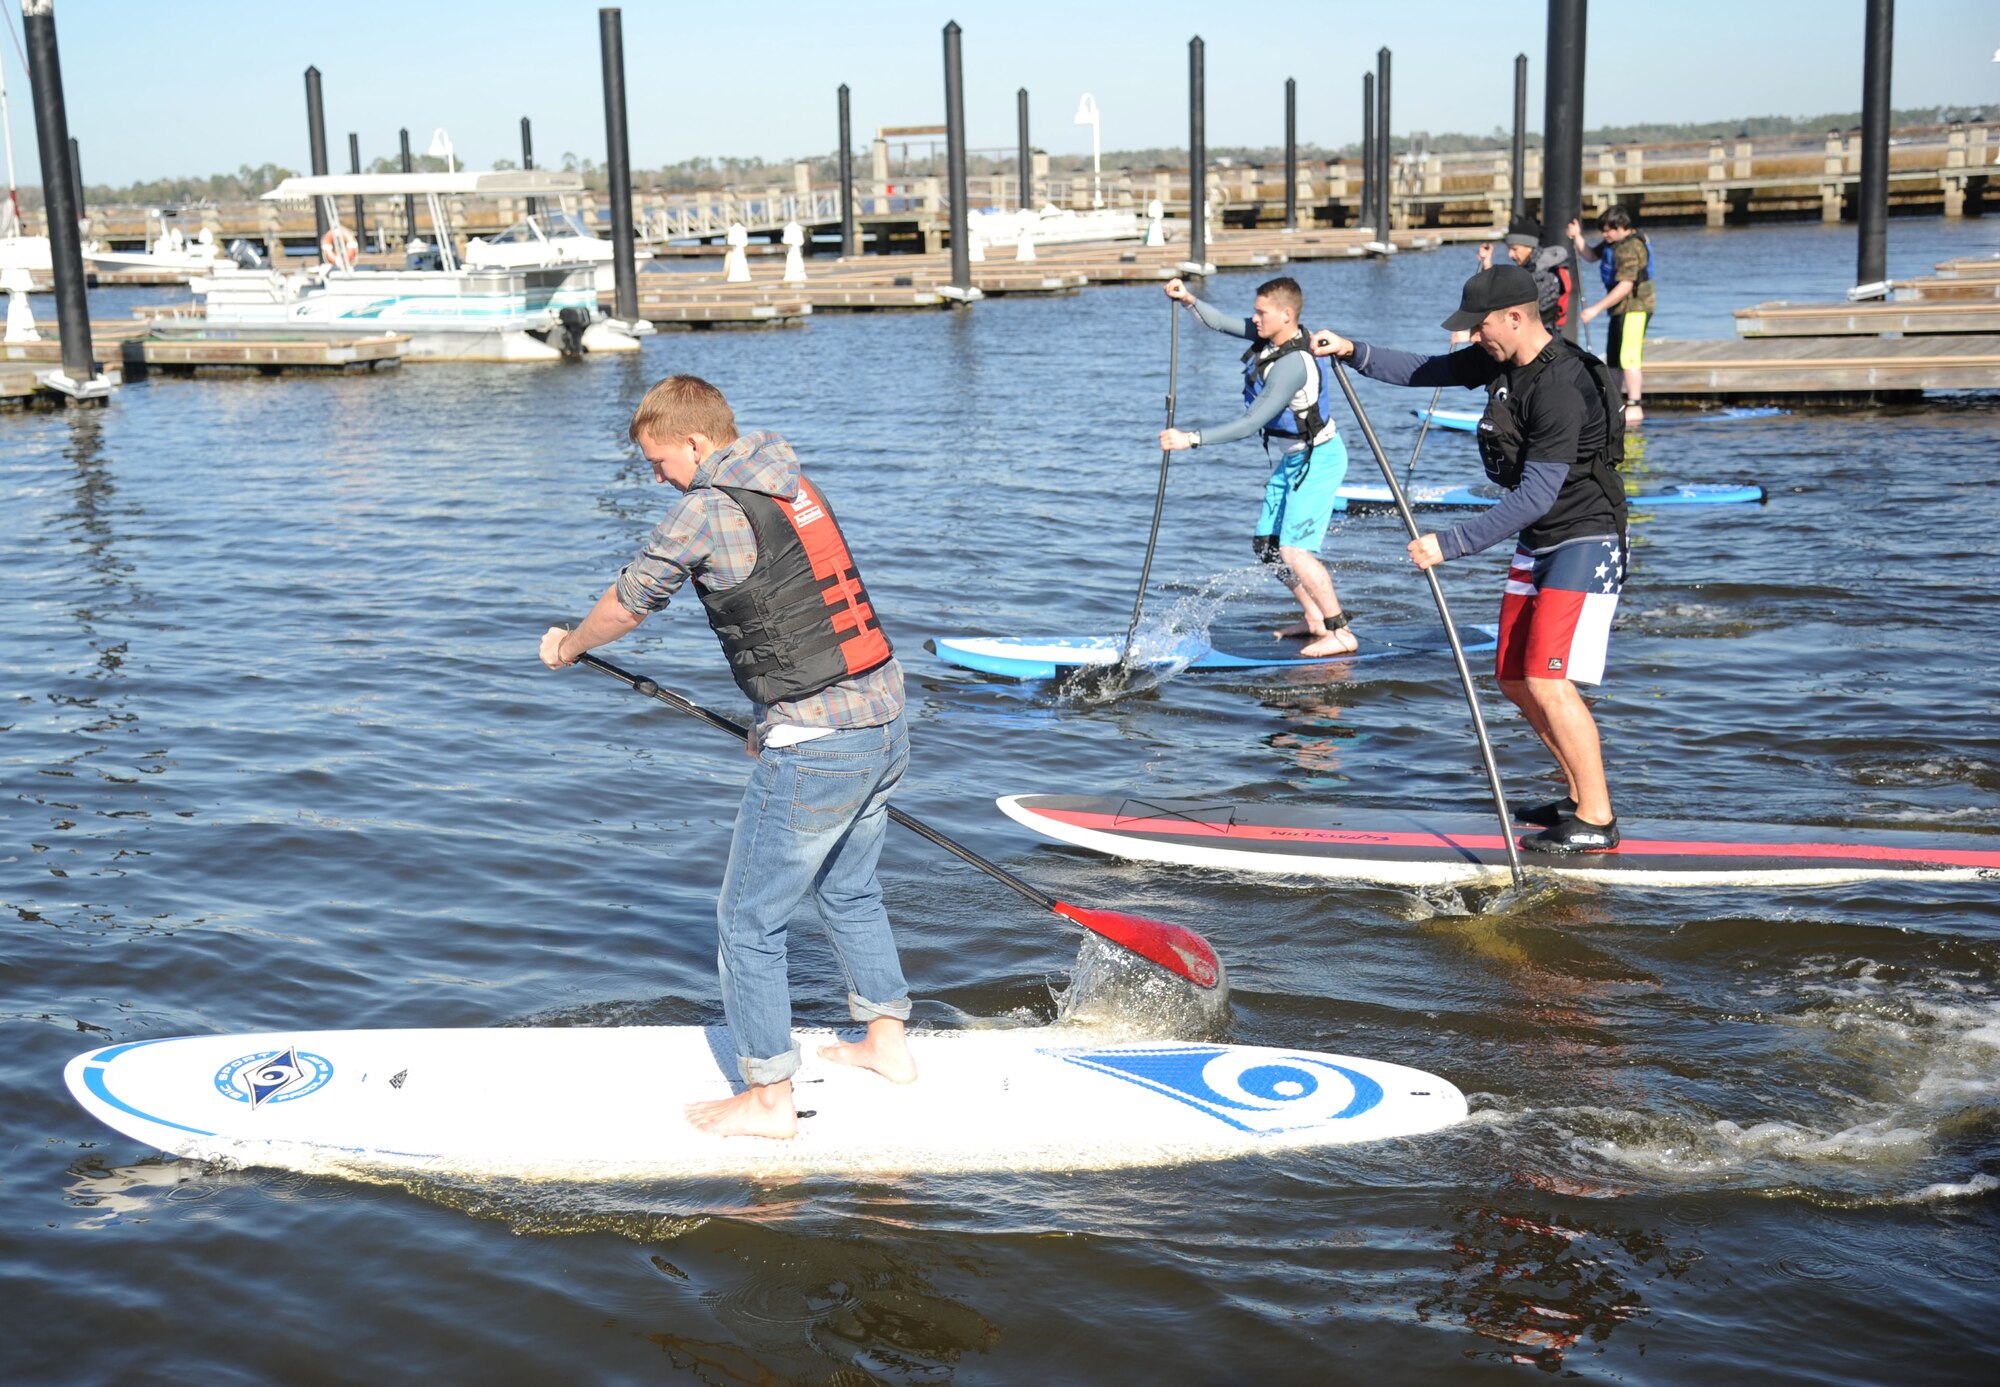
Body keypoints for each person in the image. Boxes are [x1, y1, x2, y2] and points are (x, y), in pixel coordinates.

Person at [539, 374, 917, 1138]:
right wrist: (768, 712)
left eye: (658, 461)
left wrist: (570, 644)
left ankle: (770, 1099)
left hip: (819, 744)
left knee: (747, 919)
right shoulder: (792, 484)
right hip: (884, 721)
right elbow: (799, 607)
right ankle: (887, 1045)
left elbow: (630, 599)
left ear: (696, 443)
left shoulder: (706, 508)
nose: (656, 476)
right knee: (848, 889)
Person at [1309, 265, 1628, 853]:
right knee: (1512, 676)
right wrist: (1353, 350)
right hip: (1540, 540)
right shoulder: (1499, 359)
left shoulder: (1559, 386)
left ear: (1516, 317)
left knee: (1548, 681)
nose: (1474, 338)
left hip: (1587, 539)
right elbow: (1426, 370)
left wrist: (1449, 543)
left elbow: (1538, 493)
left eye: (1480, 327)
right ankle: (1581, 796)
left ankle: (1599, 820)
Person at [1157, 274, 1356, 657]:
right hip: (1294, 459)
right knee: (1267, 547)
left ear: (1286, 314)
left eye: (1261, 312)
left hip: (1319, 459)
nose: (1254, 319)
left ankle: (1341, 632)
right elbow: (1217, 322)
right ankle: (1314, 617)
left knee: (1295, 550)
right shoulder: (1271, 336)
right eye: (1254, 311)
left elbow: (1251, 423)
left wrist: (1191, 439)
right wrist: (1187, 299)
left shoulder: (1292, 364)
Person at [1567, 207, 1654, 426]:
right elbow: (1590, 255)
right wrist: (1577, 236)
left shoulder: (1631, 247)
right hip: (1618, 310)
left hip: (1636, 307)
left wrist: (1595, 309)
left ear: (1623, 227)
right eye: (1603, 231)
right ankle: (1615, 403)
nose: (1605, 235)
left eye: (1610, 231)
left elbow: (1625, 285)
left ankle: (1635, 406)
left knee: (1629, 357)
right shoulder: (1612, 244)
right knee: (1614, 359)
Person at [1476, 214, 1573, 334]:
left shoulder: (1548, 274)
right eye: (1509, 249)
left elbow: (1513, 301)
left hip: (1545, 341)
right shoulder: (1527, 268)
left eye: (1514, 249)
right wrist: (1487, 264)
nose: (1510, 255)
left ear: (1529, 247)